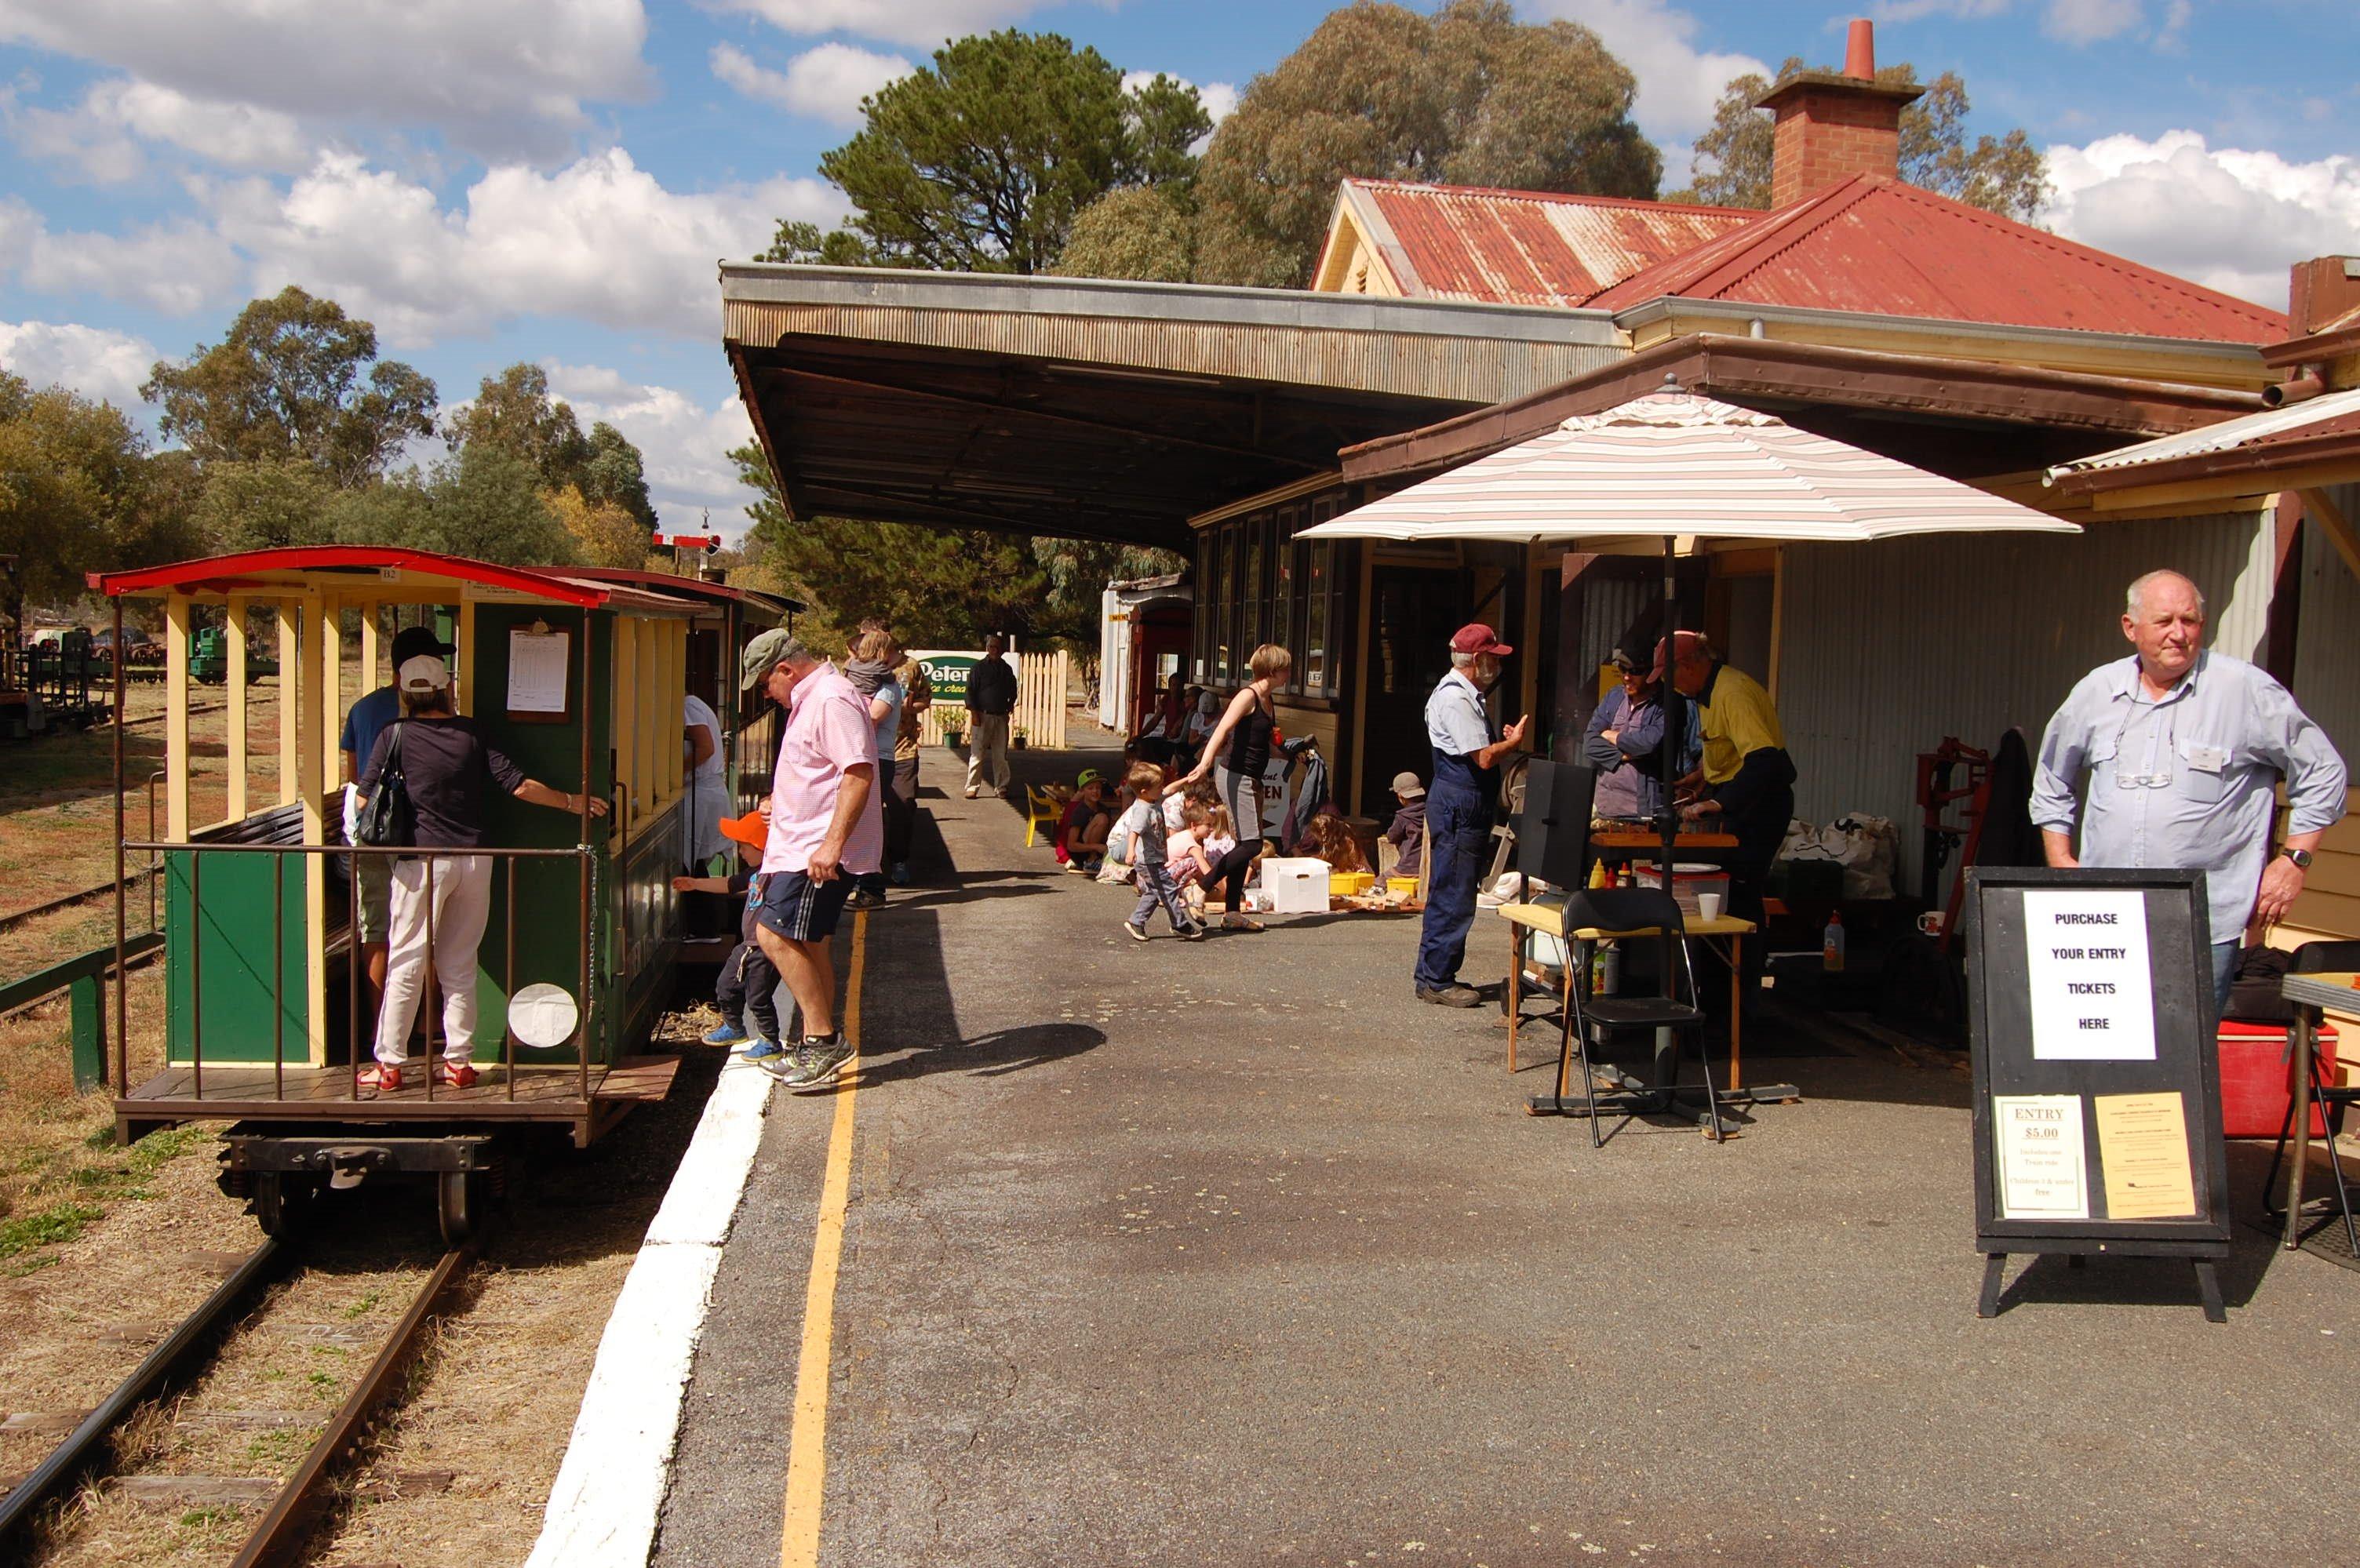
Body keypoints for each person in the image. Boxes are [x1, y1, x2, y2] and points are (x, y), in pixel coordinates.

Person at [2033, 569, 2347, 1013]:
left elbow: (2322, 770)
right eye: (2164, 621)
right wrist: (2060, 859)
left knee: (2188, 1052)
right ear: (2130, 627)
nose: (2179, 634)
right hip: (2106, 913)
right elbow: (2051, 778)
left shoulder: (2244, 689)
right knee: (2107, 1044)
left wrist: (2294, 860)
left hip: (2203, 919)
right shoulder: (2096, 691)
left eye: (2190, 620)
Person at [355, 653, 608, 1092]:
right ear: (445, 689)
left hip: (419, 864)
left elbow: (364, 800)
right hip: (475, 860)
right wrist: (573, 802)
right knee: (459, 962)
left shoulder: (392, 735)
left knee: (407, 961)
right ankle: (458, 1063)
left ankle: (391, 1065)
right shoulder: (470, 733)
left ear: (404, 692)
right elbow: (519, 785)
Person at [742, 628, 882, 1087]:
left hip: (813, 851)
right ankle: (814, 1042)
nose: (768, 695)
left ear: (785, 669)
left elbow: (858, 772)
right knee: (811, 942)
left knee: (772, 933)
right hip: (801, 843)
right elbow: (818, 771)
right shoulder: (816, 698)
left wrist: (831, 845)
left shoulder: (830, 698)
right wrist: (777, 801)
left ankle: (824, 1042)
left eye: (765, 685)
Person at [1661, 632, 1794, 984]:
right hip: (1736, 793)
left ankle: (1741, 986)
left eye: (1669, 675)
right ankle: (1717, 980)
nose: (1668, 685)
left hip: (1760, 803)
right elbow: (1731, 749)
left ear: (1688, 666)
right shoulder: (1705, 693)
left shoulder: (1732, 692)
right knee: (1720, 893)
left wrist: (1717, 802)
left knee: (1740, 892)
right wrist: (1701, 778)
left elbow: (1764, 759)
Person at [1415, 624, 1530, 1006]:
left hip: (1460, 797)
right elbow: (1481, 758)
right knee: (1454, 891)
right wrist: (1510, 745)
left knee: (1453, 887)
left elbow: (1479, 749)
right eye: (1493, 657)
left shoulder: (1466, 695)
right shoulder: (1456, 699)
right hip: (1459, 799)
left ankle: (1433, 973)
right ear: (1478, 659)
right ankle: (1438, 979)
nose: (1497, 664)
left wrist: (1501, 742)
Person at [341, 624, 453, 1001]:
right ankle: (426, 1026)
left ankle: (377, 1027)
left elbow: (355, 776)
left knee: (376, 929)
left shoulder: (363, 708)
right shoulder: (438, 714)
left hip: (372, 831)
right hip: (418, 834)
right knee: (427, 928)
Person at [1183, 643, 1294, 931]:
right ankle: (1201, 888)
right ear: (1272, 670)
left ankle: (1232, 913)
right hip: (1235, 776)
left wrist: (1296, 753)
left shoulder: (1269, 701)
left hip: (1253, 778)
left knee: (1242, 844)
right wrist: (1205, 764)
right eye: (1286, 668)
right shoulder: (1248, 696)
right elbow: (1221, 730)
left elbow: (1266, 744)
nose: (1290, 673)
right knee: (1252, 844)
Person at [673, 809, 788, 1059]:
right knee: (725, 986)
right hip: (746, 945)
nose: (740, 851)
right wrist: (695, 884)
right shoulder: (752, 873)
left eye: (744, 846)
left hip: (764, 948)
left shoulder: (779, 874)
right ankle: (734, 1027)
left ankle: (770, 1041)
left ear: (762, 845)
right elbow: (729, 884)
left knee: (758, 997)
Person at [1583, 649, 1699, 822]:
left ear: (1653, 672)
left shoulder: (1670, 702)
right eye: (1623, 670)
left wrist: (1612, 736)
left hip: (1645, 813)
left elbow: (1649, 744)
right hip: (1605, 808)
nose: (1627, 677)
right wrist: (1623, 756)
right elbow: (1589, 743)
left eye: (1635, 671)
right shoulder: (1614, 696)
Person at [844, 628, 903, 911]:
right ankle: (859, 884)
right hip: (861, 755)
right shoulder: (871, 680)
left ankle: (872, 888)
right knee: (855, 823)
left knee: (868, 824)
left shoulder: (888, 687)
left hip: (878, 758)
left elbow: (875, 716)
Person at [1117, 762, 1205, 943]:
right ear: (1144, 791)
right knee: (1169, 888)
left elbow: (1170, 790)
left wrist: (1187, 780)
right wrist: (1131, 851)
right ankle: (1179, 924)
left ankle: (1136, 921)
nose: (1162, 789)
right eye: (1158, 786)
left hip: (1155, 858)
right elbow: (1135, 831)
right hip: (1147, 860)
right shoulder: (1143, 809)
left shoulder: (1153, 798)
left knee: (1155, 891)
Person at [887, 650, 931, 884]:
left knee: (903, 805)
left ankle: (899, 861)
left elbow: (926, 698)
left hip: (903, 749)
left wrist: (911, 707)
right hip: (868, 751)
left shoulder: (910, 666)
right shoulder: (860, 666)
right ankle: (861, 871)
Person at [963, 632, 1018, 799]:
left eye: (997, 647)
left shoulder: (1006, 669)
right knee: (977, 753)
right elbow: (970, 691)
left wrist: (1009, 707)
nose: (994, 650)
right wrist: (974, 712)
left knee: (1001, 755)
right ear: (987, 648)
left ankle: (1001, 787)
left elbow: (1013, 691)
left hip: (1000, 717)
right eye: (991, 647)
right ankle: (972, 787)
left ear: (1002, 650)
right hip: (981, 715)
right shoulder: (978, 668)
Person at [682, 688, 729, 871]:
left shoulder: (688, 705)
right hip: (706, 790)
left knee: (692, 862)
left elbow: (705, 748)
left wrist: (676, 773)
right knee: (697, 862)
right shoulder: (696, 704)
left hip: (701, 792)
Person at [1058, 768, 1112, 874]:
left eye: (1098, 788)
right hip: (1081, 854)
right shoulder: (1079, 812)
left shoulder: (1103, 808)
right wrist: (1097, 847)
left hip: (1097, 850)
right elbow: (1071, 845)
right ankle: (1091, 861)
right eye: (1090, 788)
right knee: (1101, 818)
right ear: (1082, 791)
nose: (1095, 791)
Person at [1382, 771, 1427, 880]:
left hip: (1407, 868)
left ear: (1400, 796)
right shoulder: (1429, 812)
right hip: (1428, 866)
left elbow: (1392, 837)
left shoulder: (1402, 817)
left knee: (1379, 882)